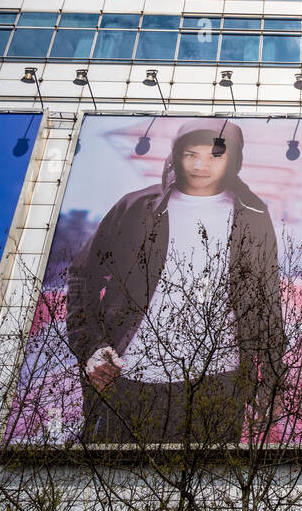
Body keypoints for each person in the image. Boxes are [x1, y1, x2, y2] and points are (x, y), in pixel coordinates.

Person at [66, 118, 286, 447]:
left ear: (233, 160)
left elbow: (266, 298)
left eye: (215, 155)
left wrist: (270, 380)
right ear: (175, 156)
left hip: (218, 382)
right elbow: (83, 275)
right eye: (191, 154)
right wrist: (92, 348)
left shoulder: (252, 215)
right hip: (130, 377)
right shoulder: (136, 207)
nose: (201, 165)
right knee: (111, 489)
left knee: (208, 493)